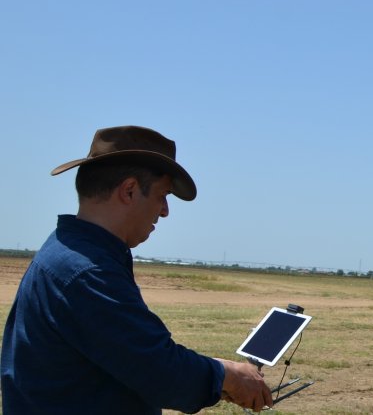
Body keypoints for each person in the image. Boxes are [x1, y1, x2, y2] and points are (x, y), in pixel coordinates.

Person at [1, 126, 274, 413]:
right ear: (129, 190)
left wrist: (220, 372)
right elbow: (161, 372)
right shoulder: (87, 271)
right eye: (162, 195)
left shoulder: (72, 253)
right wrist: (228, 376)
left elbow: (130, 356)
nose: (165, 210)